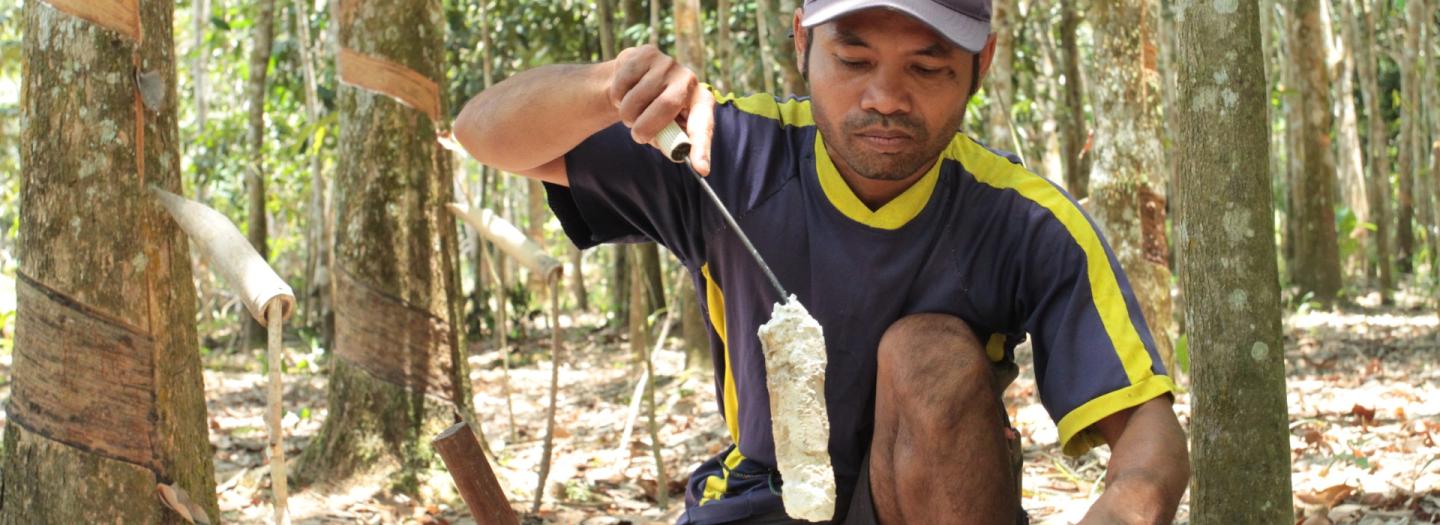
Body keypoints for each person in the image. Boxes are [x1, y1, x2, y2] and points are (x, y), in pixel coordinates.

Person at [453, 0, 1191, 522]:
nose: (885, 97)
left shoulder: (1026, 221)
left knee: (925, 351)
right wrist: (610, 87)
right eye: (854, 57)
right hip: (761, 496)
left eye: (927, 68)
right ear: (801, 41)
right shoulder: (728, 152)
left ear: (981, 63)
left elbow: (1150, 439)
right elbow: (480, 132)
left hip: (933, 502)